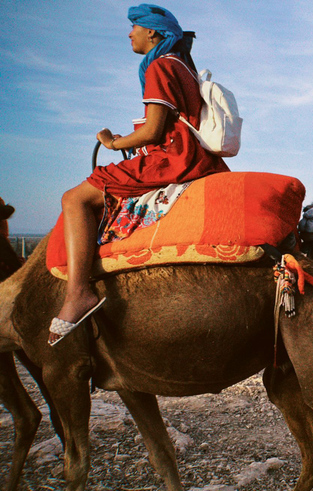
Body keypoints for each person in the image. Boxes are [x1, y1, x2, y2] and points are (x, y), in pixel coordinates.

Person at [48, 4, 230, 345]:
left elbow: (153, 132)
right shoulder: (183, 67)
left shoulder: (160, 67)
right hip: (196, 157)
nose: (129, 33)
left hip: (171, 159)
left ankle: (78, 293)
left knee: (73, 199)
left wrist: (114, 142)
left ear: (153, 32)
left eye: (135, 27)